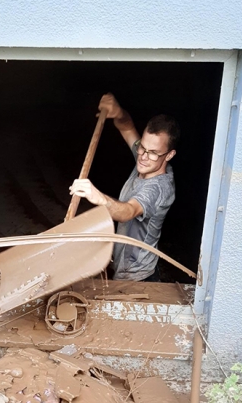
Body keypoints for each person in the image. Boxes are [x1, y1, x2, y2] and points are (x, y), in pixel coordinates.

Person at [68, 93, 179, 282]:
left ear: (169, 155)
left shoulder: (159, 188)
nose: (143, 156)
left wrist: (99, 198)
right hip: (121, 265)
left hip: (137, 277)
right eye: (142, 147)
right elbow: (127, 127)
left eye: (153, 153)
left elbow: (128, 211)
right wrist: (118, 112)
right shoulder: (146, 158)